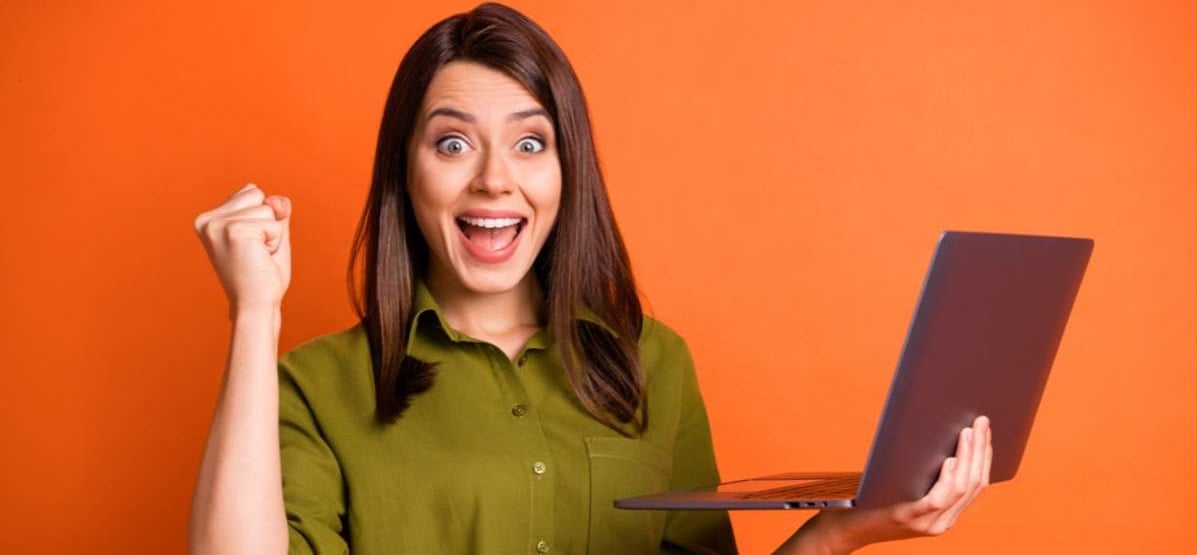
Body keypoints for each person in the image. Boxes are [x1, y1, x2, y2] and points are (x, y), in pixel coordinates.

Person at [188, 3, 993, 554]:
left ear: (568, 169)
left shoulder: (654, 363)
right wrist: (253, 314)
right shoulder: (310, 386)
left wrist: (839, 529)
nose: (496, 181)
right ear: (406, 171)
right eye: (454, 143)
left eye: (530, 144)